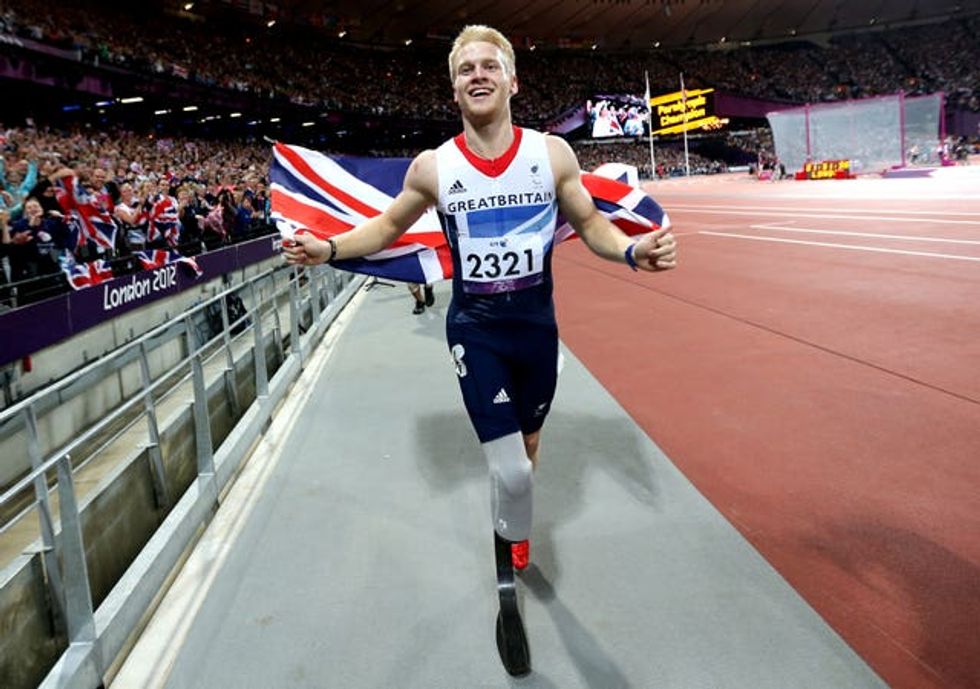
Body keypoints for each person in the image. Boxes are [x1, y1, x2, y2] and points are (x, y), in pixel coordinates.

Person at [284, 24, 676, 674]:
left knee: (528, 449)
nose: (477, 74)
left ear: (512, 80)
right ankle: (510, 541)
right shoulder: (434, 167)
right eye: (465, 67)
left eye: (488, 64)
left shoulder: (552, 156)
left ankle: (512, 518)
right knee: (515, 474)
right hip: (477, 330)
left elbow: (592, 225)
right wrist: (327, 249)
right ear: (453, 87)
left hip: (536, 329)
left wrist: (633, 251)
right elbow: (385, 226)